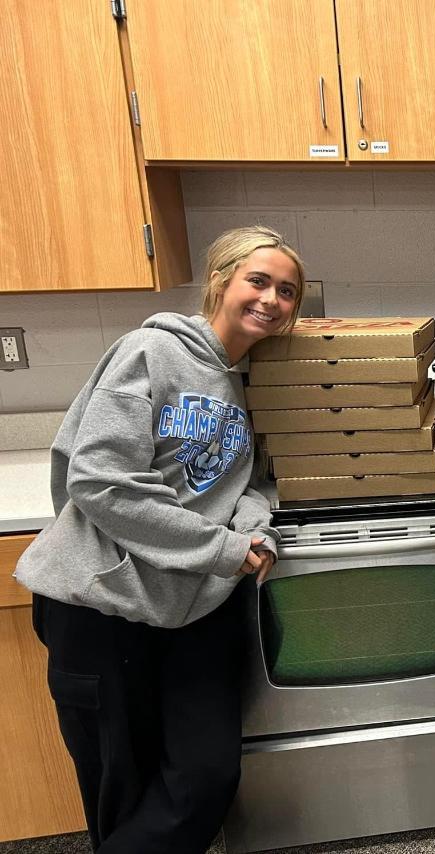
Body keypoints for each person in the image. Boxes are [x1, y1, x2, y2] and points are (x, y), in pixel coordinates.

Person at [14, 225, 305, 854]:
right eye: (258, 281)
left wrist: (254, 530)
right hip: (104, 604)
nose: (271, 299)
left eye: (287, 291)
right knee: (123, 786)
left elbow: (242, 480)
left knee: (205, 775)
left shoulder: (246, 379)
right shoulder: (149, 350)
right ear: (220, 280)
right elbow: (101, 479)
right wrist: (222, 549)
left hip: (189, 604)